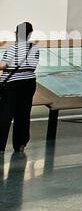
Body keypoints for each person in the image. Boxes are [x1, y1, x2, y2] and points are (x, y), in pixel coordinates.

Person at [0, 23, 40, 155]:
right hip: (29, 83)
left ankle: (0, 146)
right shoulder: (35, 49)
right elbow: (33, 67)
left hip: (12, 85)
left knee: (5, 114)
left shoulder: (13, 48)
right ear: (29, 34)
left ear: (17, 33)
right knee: (23, 114)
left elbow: (3, 65)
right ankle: (21, 144)